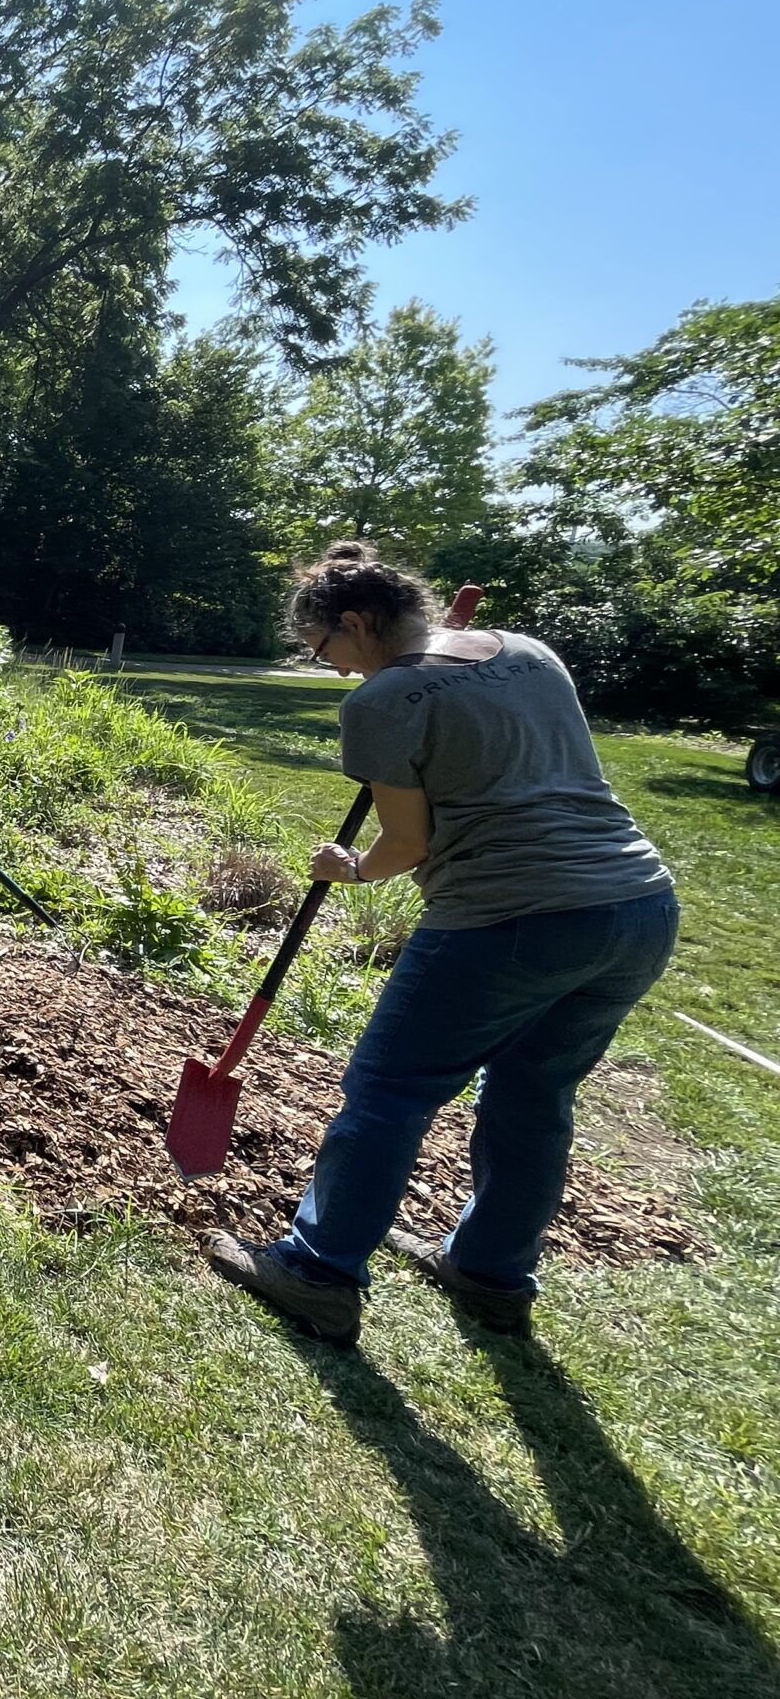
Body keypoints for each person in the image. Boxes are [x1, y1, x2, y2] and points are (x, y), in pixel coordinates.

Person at [207, 542, 679, 1344]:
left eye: (325, 650)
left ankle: (318, 1272)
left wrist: (350, 869)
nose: (333, 669)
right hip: (637, 905)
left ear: (356, 622)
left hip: (509, 917)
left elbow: (407, 844)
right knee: (534, 1095)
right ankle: (492, 1274)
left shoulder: (383, 700)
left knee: (390, 1090)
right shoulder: (529, 652)